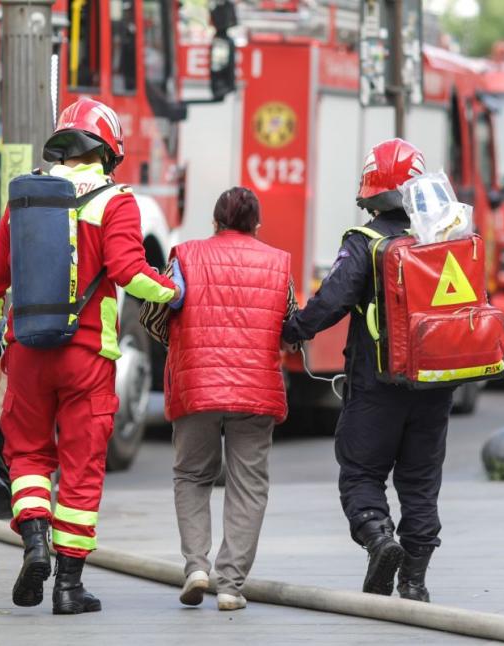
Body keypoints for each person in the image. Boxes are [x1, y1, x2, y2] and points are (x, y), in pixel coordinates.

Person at [0, 97, 181, 615]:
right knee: (81, 467)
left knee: (28, 458)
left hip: (25, 353)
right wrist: (173, 292)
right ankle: (68, 586)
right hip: (87, 358)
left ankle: (35, 543)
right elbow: (131, 273)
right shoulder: (117, 202)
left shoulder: (25, 201)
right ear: (108, 153)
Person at [281, 139, 452, 602]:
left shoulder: (366, 242)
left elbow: (333, 300)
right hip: (436, 384)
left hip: (377, 383)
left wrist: (294, 328)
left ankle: (379, 539)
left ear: (371, 193)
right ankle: (414, 582)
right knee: (420, 482)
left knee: (360, 472)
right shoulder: (445, 241)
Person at [165, 187, 295, 612]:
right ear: (255, 225)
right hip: (254, 388)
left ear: (215, 222)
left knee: (192, 475)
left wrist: (186, 346)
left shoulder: (184, 255)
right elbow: (289, 323)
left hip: (197, 384)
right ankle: (230, 585)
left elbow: (156, 315)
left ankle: (196, 568)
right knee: (248, 485)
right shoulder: (278, 264)